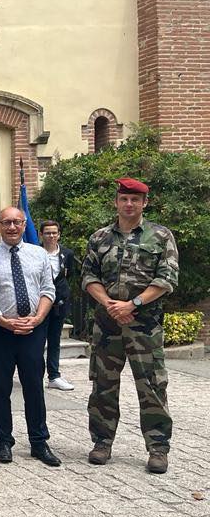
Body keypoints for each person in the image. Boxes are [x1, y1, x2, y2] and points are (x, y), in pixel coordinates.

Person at [82, 178, 178, 474]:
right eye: (124, 199)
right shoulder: (99, 238)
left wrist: (132, 305)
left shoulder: (160, 236)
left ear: (144, 203)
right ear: (116, 201)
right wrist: (112, 305)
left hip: (144, 327)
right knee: (103, 387)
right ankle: (102, 442)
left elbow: (167, 279)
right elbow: (88, 278)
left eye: (135, 200)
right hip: (107, 326)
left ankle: (158, 448)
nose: (129, 204)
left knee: (152, 387)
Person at [0, 207, 61, 467]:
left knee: (34, 387)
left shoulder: (39, 255)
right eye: (6, 223)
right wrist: (2, 320)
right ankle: (4, 441)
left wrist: (37, 319)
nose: (12, 227)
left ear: (25, 225)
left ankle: (39, 442)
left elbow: (48, 289)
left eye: (17, 222)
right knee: (0, 388)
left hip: (32, 331)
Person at [39, 219, 76, 391]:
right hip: (39, 304)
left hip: (60, 303)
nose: (51, 236)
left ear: (59, 234)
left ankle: (54, 376)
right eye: (47, 233)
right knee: (38, 341)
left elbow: (68, 275)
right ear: (41, 235)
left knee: (54, 341)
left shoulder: (67, 254)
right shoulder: (35, 252)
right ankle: (35, 375)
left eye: (54, 232)